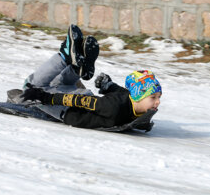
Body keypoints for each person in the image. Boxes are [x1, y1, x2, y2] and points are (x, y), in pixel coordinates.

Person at [21, 24, 162, 129]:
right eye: (153, 97)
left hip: (72, 106)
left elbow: (119, 93)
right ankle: (69, 62)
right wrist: (46, 98)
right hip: (72, 104)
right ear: (137, 96)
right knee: (42, 85)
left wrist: (108, 86)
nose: (158, 102)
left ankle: (71, 65)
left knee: (43, 85)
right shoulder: (113, 106)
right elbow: (81, 100)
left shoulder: (125, 103)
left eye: (158, 97)